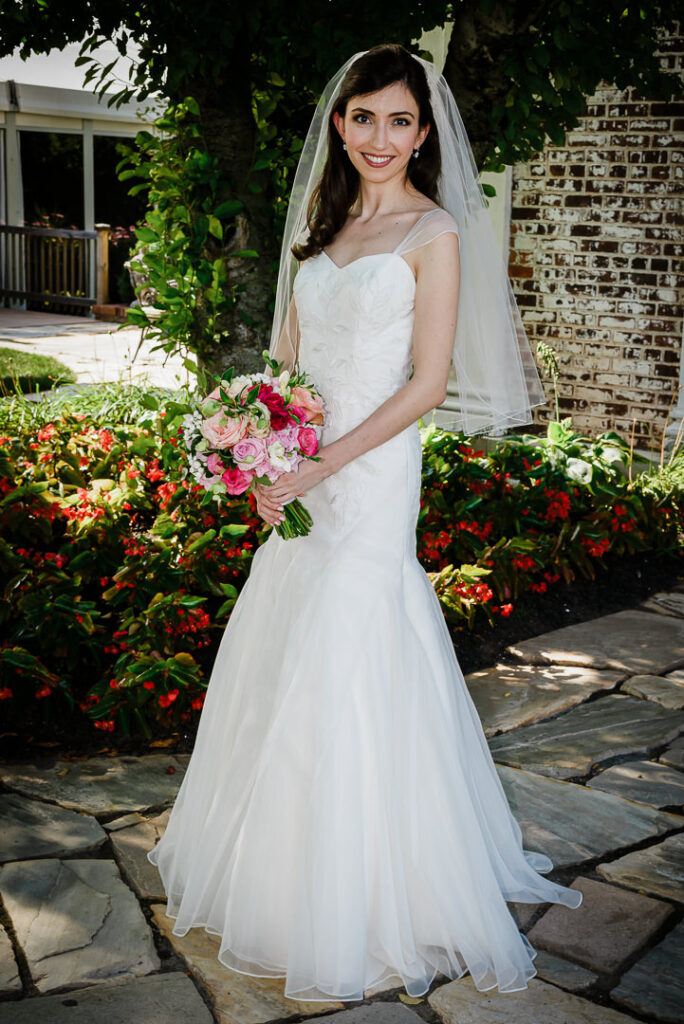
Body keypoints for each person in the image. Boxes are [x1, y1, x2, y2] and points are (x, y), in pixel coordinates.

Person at [149, 43, 582, 1004]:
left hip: (373, 473)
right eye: (361, 117)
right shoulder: (323, 230)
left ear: (423, 134)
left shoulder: (434, 232)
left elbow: (426, 384)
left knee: (351, 646)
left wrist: (320, 465)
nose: (377, 137)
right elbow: (286, 364)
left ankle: (362, 899)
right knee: (287, 640)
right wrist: (258, 457)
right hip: (302, 472)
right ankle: (280, 877)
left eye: (398, 121)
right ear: (338, 126)